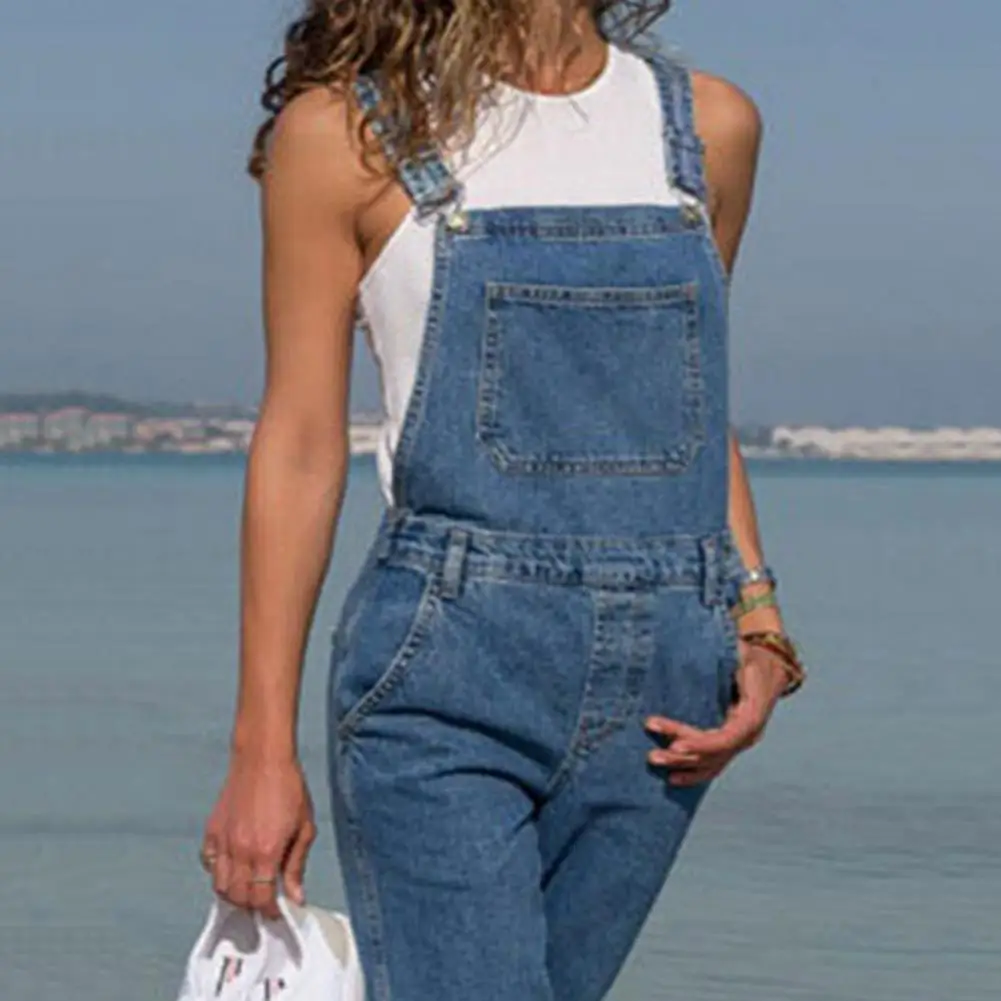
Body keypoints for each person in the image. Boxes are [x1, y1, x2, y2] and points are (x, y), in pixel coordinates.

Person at [199, 1, 806, 998]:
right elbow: (300, 445)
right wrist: (261, 749)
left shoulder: (710, 127)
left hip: (665, 689)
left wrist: (757, 618)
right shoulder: (346, 134)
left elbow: (689, 404)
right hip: (447, 668)